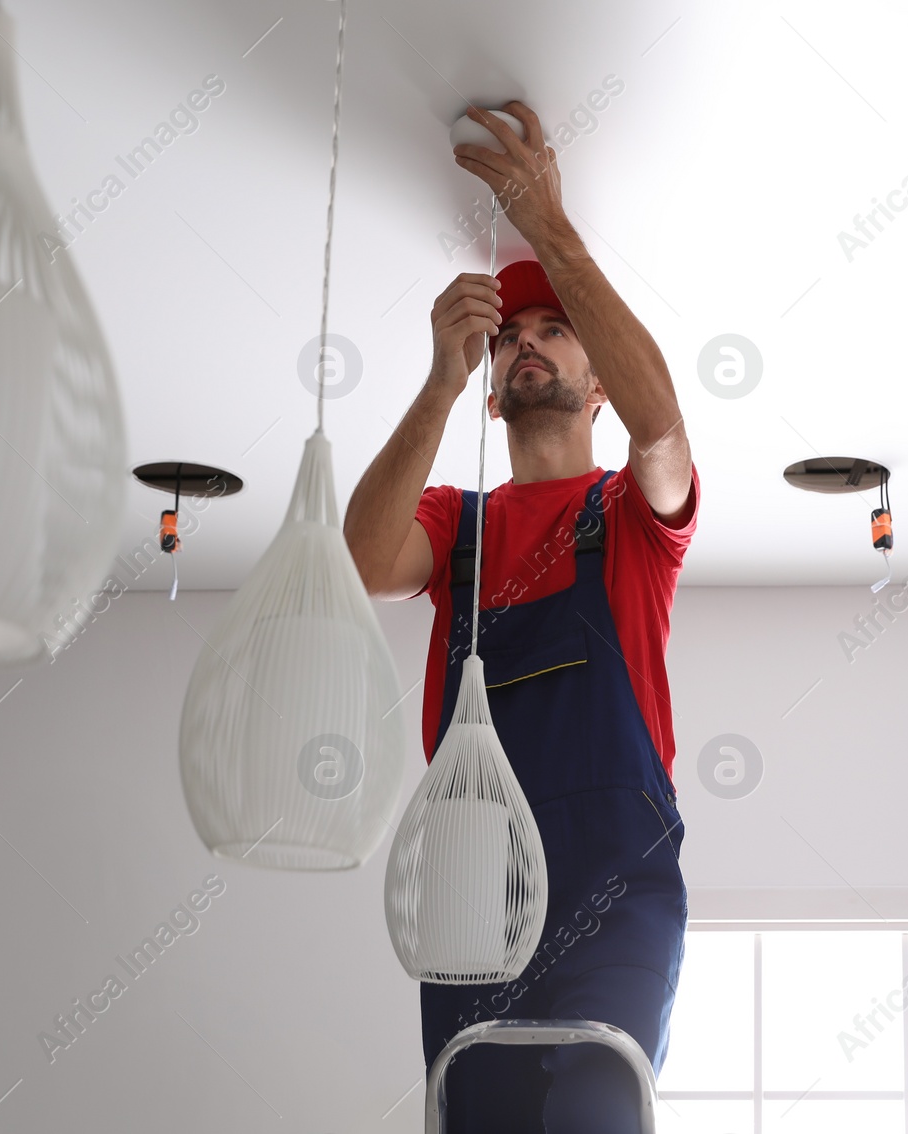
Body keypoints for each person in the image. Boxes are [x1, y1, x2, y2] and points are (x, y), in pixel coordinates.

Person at [344, 101, 699, 1134]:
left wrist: (547, 225)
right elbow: (362, 561)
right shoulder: (455, 527)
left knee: (598, 1107)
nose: (527, 346)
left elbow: (665, 427)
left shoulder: (632, 517)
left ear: (596, 390)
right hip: (470, 896)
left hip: (614, 891)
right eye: (513, 340)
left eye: (555, 332)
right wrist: (441, 380)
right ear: (496, 393)